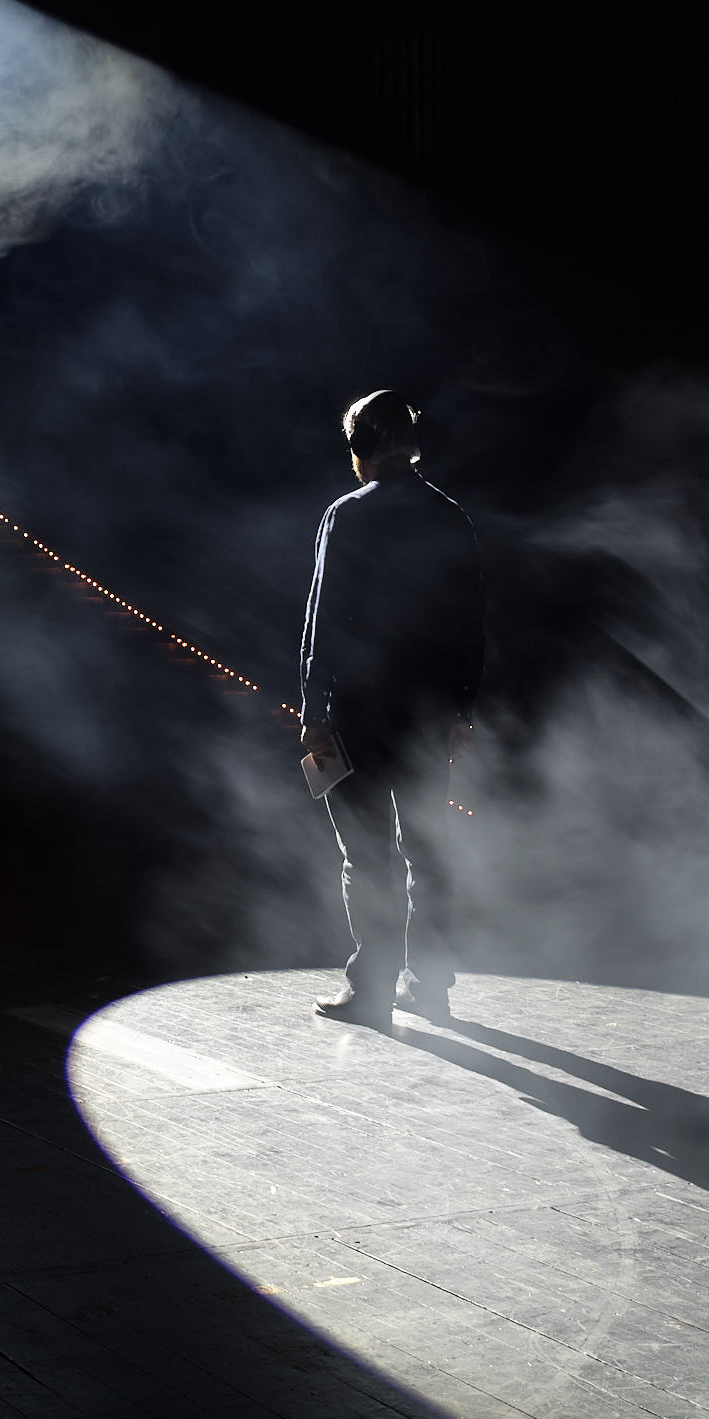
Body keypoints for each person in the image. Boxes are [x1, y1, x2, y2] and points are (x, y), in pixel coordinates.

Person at [299, 390, 483, 1027]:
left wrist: (313, 709)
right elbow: (471, 626)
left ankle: (371, 989)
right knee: (427, 850)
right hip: (427, 714)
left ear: (361, 446)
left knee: (366, 855)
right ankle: (429, 987)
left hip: (359, 711)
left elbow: (324, 619)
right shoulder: (451, 517)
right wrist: (462, 710)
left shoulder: (347, 515)